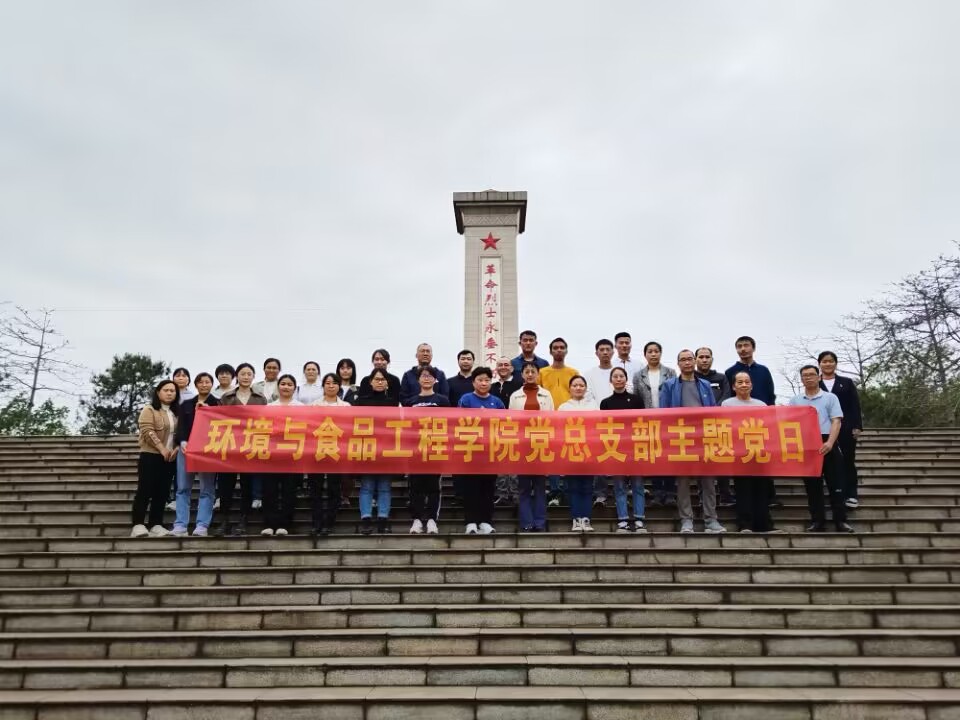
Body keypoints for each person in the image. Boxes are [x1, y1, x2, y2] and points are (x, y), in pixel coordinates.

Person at [660, 350, 726, 534]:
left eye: (690, 359)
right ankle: (686, 520)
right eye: (683, 360)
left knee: (708, 481)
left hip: (703, 438)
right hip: (681, 438)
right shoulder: (669, 385)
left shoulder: (704, 384)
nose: (687, 362)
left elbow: (713, 411)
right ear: (678, 364)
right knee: (682, 482)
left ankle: (711, 519)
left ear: (695, 361)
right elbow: (663, 413)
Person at [790, 365, 854, 533]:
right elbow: (790, 424)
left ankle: (840, 520)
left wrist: (830, 442)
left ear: (819, 377)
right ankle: (817, 521)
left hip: (827, 441)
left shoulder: (830, 397)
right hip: (807, 445)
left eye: (812, 374)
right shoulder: (795, 401)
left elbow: (836, 421)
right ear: (801, 379)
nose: (808, 378)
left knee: (836, 484)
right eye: (805, 375)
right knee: (812, 486)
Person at [724, 335, 780, 508]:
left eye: (746, 345)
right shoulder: (730, 372)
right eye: (739, 346)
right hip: (739, 430)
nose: (743, 349)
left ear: (753, 348)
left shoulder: (763, 371)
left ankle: (770, 497)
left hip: (761, 426)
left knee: (764, 462)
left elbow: (770, 396)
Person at [217, 363, 268, 536]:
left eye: (249, 374)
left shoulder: (260, 398)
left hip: (250, 447)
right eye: (242, 374)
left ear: (253, 377)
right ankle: (224, 520)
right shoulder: (226, 397)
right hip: (229, 446)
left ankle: (243, 520)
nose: (246, 377)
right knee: (225, 486)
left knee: (247, 485)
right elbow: (218, 420)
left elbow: (265, 422)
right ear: (237, 376)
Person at [721, 372, 774, 533]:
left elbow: (768, 427)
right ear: (733, 386)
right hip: (739, 453)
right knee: (743, 489)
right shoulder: (727, 404)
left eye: (746, 382)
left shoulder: (761, 405)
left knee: (761, 489)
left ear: (751, 385)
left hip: (759, 451)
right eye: (740, 382)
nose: (743, 385)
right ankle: (745, 524)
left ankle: (763, 524)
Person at [458, 367, 506, 534]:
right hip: (471, 451)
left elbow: (504, 425)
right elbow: (460, 422)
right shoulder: (466, 399)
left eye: (487, 380)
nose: (484, 383)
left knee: (488, 488)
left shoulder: (497, 402)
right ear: (473, 382)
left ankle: (486, 521)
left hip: (490, 452)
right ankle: (470, 521)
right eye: (480, 380)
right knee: (471, 488)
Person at [600, 367, 647, 532]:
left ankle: (639, 519)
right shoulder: (605, 403)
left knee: (638, 485)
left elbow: (643, 423)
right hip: (615, 449)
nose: (618, 379)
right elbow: (603, 427)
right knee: (619, 486)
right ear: (611, 380)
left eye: (621, 376)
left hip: (635, 448)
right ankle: (623, 520)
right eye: (615, 376)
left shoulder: (636, 400)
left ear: (626, 379)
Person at [509, 362, 554, 532]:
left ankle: (540, 522)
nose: (529, 374)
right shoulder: (515, 396)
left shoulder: (546, 395)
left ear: (537, 374)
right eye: (526, 371)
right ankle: (527, 522)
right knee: (524, 487)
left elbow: (552, 420)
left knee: (540, 486)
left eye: (532, 371)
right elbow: (510, 421)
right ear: (522, 375)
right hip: (522, 445)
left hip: (541, 444)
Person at [131, 380, 180, 538]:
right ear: (158, 392)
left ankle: (156, 524)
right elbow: (147, 431)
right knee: (145, 490)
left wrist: (176, 449)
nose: (169, 393)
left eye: (173, 391)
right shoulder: (149, 409)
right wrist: (161, 448)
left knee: (162, 492)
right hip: (150, 455)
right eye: (166, 390)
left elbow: (183, 433)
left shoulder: (177, 412)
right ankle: (138, 524)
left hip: (170, 458)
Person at [172, 372, 218, 537]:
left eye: (207, 382)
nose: (204, 385)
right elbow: (181, 426)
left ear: (212, 384)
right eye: (201, 382)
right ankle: (180, 525)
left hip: (208, 451)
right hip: (187, 450)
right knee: (183, 488)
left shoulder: (217, 404)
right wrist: (182, 441)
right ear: (196, 384)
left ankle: (202, 525)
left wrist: (209, 411)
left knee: (207, 489)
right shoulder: (187, 404)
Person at [404, 365, 449, 534]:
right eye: (423, 375)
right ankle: (416, 520)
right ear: (418, 379)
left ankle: (431, 520)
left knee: (433, 487)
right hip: (415, 449)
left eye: (430, 376)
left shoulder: (442, 400)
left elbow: (448, 424)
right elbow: (405, 425)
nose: (426, 378)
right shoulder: (411, 402)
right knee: (415, 486)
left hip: (435, 448)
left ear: (435, 379)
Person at [633, 341, 678, 506]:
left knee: (669, 457)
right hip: (648, 422)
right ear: (645, 355)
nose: (653, 354)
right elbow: (637, 398)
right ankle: (658, 492)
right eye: (650, 351)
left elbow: (675, 394)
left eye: (656, 351)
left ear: (660, 353)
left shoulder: (671, 372)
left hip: (668, 421)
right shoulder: (638, 375)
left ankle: (670, 492)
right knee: (655, 458)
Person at [818, 351, 863, 509]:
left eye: (831, 361)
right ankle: (835, 495)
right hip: (822, 429)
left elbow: (854, 405)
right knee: (829, 463)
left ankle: (851, 494)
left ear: (835, 363)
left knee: (848, 460)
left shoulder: (846, 382)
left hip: (845, 427)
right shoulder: (815, 383)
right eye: (824, 361)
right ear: (819, 364)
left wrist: (857, 426)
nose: (828, 364)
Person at [356, 368, 398, 534]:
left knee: (384, 486)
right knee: (367, 485)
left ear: (387, 382)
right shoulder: (361, 401)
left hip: (387, 447)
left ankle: (382, 519)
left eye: (382, 379)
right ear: (370, 382)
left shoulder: (393, 402)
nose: (379, 382)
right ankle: (366, 519)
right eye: (376, 379)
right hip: (366, 447)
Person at [308, 373, 349, 534]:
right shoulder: (313, 405)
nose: (331, 386)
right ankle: (316, 522)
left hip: (337, 452)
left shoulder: (346, 406)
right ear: (323, 386)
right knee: (315, 490)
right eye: (328, 383)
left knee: (334, 489)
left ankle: (329, 523)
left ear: (339, 386)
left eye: (334, 383)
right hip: (316, 451)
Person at [263, 374, 302, 536]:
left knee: (289, 490)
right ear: (278, 386)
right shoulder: (269, 407)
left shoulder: (301, 407)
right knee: (269, 490)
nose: (286, 387)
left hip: (292, 455)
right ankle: (269, 524)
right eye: (283, 384)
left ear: (294, 388)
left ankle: (285, 524)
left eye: (289, 384)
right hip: (272, 454)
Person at [695, 347, 734, 507]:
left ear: (712, 359)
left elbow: (726, 396)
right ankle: (702, 496)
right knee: (701, 462)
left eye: (707, 357)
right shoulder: (691, 378)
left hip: (719, 424)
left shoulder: (721, 377)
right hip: (698, 426)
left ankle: (725, 495)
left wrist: (713, 410)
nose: (704, 360)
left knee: (722, 459)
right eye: (701, 357)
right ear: (696, 359)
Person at [559, 375, 598, 532]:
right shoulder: (563, 407)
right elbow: (559, 430)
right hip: (571, 452)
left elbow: (598, 427)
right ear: (570, 388)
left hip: (589, 451)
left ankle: (586, 519)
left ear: (586, 388)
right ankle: (576, 518)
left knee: (587, 487)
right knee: (574, 487)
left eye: (581, 385)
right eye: (575, 385)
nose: (578, 388)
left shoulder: (594, 406)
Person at [490, 356, 522, 507]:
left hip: (516, 429)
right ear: (496, 368)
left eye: (506, 365)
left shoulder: (519, 385)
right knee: (500, 464)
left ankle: (515, 494)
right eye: (500, 365)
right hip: (496, 430)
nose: (503, 367)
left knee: (515, 464)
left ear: (512, 368)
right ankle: (502, 494)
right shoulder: (491, 387)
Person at [167, 368, 196, 510]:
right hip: (168, 434)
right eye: (177, 375)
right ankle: (169, 497)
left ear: (189, 380)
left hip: (184, 436)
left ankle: (179, 498)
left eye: (184, 376)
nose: (181, 378)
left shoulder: (193, 397)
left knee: (181, 470)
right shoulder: (169, 394)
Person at [585, 339, 616, 404]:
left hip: (617, 409)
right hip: (597, 409)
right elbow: (587, 396)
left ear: (613, 352)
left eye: (608, 349)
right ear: (596, 353)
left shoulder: (620, 373)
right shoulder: (589, 374)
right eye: (602, 350)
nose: (605, 352)